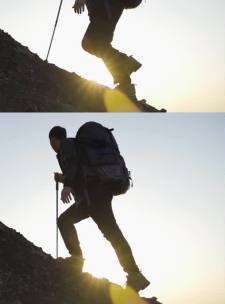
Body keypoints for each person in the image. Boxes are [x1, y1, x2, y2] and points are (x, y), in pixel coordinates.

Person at [49, 125, 150, 292]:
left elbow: (74, 167)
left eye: (51, 142)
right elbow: (79, 172)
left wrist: (66, 184)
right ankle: (78, 259)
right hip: (92, 197)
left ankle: (134, 275)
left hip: (94, 196)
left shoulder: (66, 146)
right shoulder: (74, 146)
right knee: (66, 221)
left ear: (53, 139)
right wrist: (63, 179)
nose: (51, 146)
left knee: (111, 233)